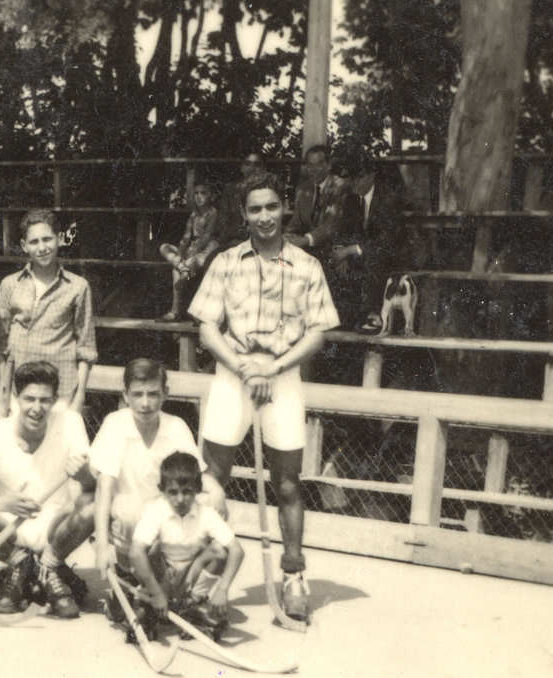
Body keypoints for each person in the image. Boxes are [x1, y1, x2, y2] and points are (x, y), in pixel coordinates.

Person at [189, 171, 339, 621]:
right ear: (243, 214)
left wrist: (271, 368)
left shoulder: (307, 265)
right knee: (212, 476)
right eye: (255, 209)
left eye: (272, 206)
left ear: (284, 208)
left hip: (283, 376)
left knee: (288, 482)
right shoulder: (225, 261)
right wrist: (243, 367)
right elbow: (207, 328)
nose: (265, 216)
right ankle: (207, 573)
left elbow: (318, 334)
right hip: (231, 375)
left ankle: (293, 575)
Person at [0, 361, 95, 619]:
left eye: (45, 400)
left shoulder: (70, 422)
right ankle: (22, 563)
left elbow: (92, 487)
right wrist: (5, 503)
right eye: (29, 399)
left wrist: (84, 474)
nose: (36, 408)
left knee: (92, 504)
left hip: (55, 528)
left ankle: (48, 566)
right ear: (16, 398)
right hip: (10, 528)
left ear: (55, 400)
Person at [91, 358, 222, 581]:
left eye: (152, 394)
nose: (145, 403)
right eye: (137, 394)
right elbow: (104, 487)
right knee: (130, 511)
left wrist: (218, 492)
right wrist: (102, 546)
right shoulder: (114, 424)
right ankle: (127, 571)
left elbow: (197, 475)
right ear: (125, 395)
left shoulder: (176, 426)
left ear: (165, 394)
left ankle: (186, 584)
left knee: (212, 504)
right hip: (128, 513)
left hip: (163, 510)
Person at [128, 453, 244, 641]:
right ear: (162, 490)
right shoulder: (156, 511)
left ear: (198, 489)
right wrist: (157, 593)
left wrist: (222, 589)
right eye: (173, 492)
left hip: (191, 577)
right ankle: (149, 605)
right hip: (163, 576)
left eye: (187, 492)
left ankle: (192, 604)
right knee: (147, 551)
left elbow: (237, 551)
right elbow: (135, 553)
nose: (180, 499)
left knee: (220, 551)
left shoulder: (207, 514)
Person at [0, 208, 96, 417]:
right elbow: (1, 348)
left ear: (59, 239)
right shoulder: (9, 285)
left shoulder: (78, 287)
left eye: (47, 239)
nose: (42, 248)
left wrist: (78, 399)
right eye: (34, 242)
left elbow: (86, 347)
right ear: (24, 246)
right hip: (19, 394)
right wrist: (1, 401)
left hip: (61, 395)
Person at [332, 154, 412, 333]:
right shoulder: (351, 199)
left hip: (392, 253)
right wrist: (341, 251)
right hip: (365, 252)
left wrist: (351, 250)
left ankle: (373, 315)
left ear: (371, 175)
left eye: (359, 177)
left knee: (374, 258)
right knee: (334, 262)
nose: (354, 183)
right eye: (352, 178)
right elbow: (344, 231)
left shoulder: (388, 198)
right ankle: (343, 316)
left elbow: (387, 239)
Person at [157, 182, 219, 320]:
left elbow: (207, 236)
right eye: (196, 193)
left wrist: (192, 253)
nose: (199, 196)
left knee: (178, 269)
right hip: (193, 247)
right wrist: (180, 254)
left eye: (203, 193)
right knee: (164, 247)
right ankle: (183, 268)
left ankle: (175, 311)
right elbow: (186, 237)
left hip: (207, 247)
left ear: (210, 196)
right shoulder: (193, 215)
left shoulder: (212, 213)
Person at [284, 145, 351, 259]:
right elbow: (296, 221)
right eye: (310, 165)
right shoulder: (303, 188)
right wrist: (286, 236)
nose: (313, 169)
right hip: (308, 250)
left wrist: (306, 240)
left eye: (318, 164)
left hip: (334, 251)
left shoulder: (340, 187)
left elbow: (331, 226)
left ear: (328, 165)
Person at [216, 153, 266, 251]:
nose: (252, 168)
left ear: (263, 168)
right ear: (241, 168)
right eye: (247, 164)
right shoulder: (231, 190)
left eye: (257, 164)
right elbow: (223, 222)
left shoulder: (269, 192)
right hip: (235, 241)